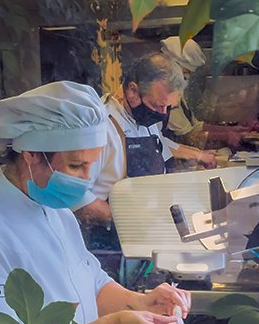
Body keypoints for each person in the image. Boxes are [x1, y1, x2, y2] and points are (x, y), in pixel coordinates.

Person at [0, 81, 192, 324]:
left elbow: (90, 283)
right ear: (31, 154)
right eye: (75, 166)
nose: (86, 180)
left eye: (91, 166)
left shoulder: (54, 208)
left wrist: (141, 303)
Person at [74, 53, 215, 228]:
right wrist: (126, 221)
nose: (162, 114)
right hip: (114, 238)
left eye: (167, 107)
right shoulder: (102, 129)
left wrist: (197, 156)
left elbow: (163, 144)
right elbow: (78, 198)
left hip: (151, 227)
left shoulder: (145, 120)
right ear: (132, 91)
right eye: (157, 105)